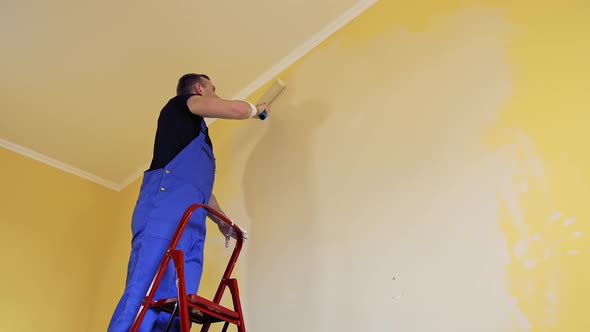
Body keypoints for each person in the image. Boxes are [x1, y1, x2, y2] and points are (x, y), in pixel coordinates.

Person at [108, 73, 269, 331]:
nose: (216, 95)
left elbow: (203, 190)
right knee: (145, 289)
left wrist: (222, 221)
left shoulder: (198, 139)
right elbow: (237, 108)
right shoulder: (181, 104)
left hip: (192, 224)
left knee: (177, 304)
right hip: (163, 211)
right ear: (198, 89)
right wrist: (256, 109)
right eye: (213, 90)